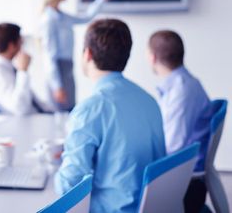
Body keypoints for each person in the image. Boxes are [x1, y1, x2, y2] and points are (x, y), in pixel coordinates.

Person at [54, 19, 165, 213]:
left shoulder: (89, 109)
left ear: (87, 54)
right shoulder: (150, 101)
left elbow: (68, 186)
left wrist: (54, 169)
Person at [148, 30, 213, 213]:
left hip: (185, 186)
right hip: (187, 180)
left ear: (152, 58)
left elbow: (172, 147)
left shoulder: (181, 92)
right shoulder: (185, 83)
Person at [40, 0, 116, 111]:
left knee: (70, 109)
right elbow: (49, 56)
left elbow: (86, 17)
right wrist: (57, 86)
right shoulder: (49, 20)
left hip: (67, 68)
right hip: (58, 71)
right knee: (60, 114)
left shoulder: (61, 16)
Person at [0, 23, 49, 115]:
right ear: (11, 45)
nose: (22, 45)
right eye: (21, 42)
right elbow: (20, 108)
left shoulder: (8, 67)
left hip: (38, 117)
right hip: (27, 122)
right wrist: (23, 72)